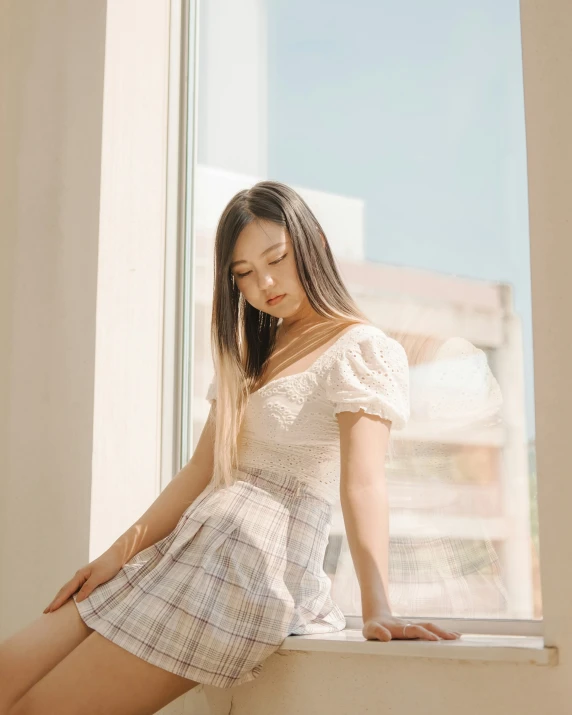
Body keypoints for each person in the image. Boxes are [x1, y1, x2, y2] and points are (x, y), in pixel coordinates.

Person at [0, 181, 461, 715]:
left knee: (41, 711)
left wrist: (376, 607)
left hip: (252, 568)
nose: (263, 283)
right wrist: (113, 558)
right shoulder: (252, 352)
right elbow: (202, 469)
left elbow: (363, 483)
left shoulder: (360, 348)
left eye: (277, 259)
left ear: (317, 245)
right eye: (242, 273)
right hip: (189, 549)